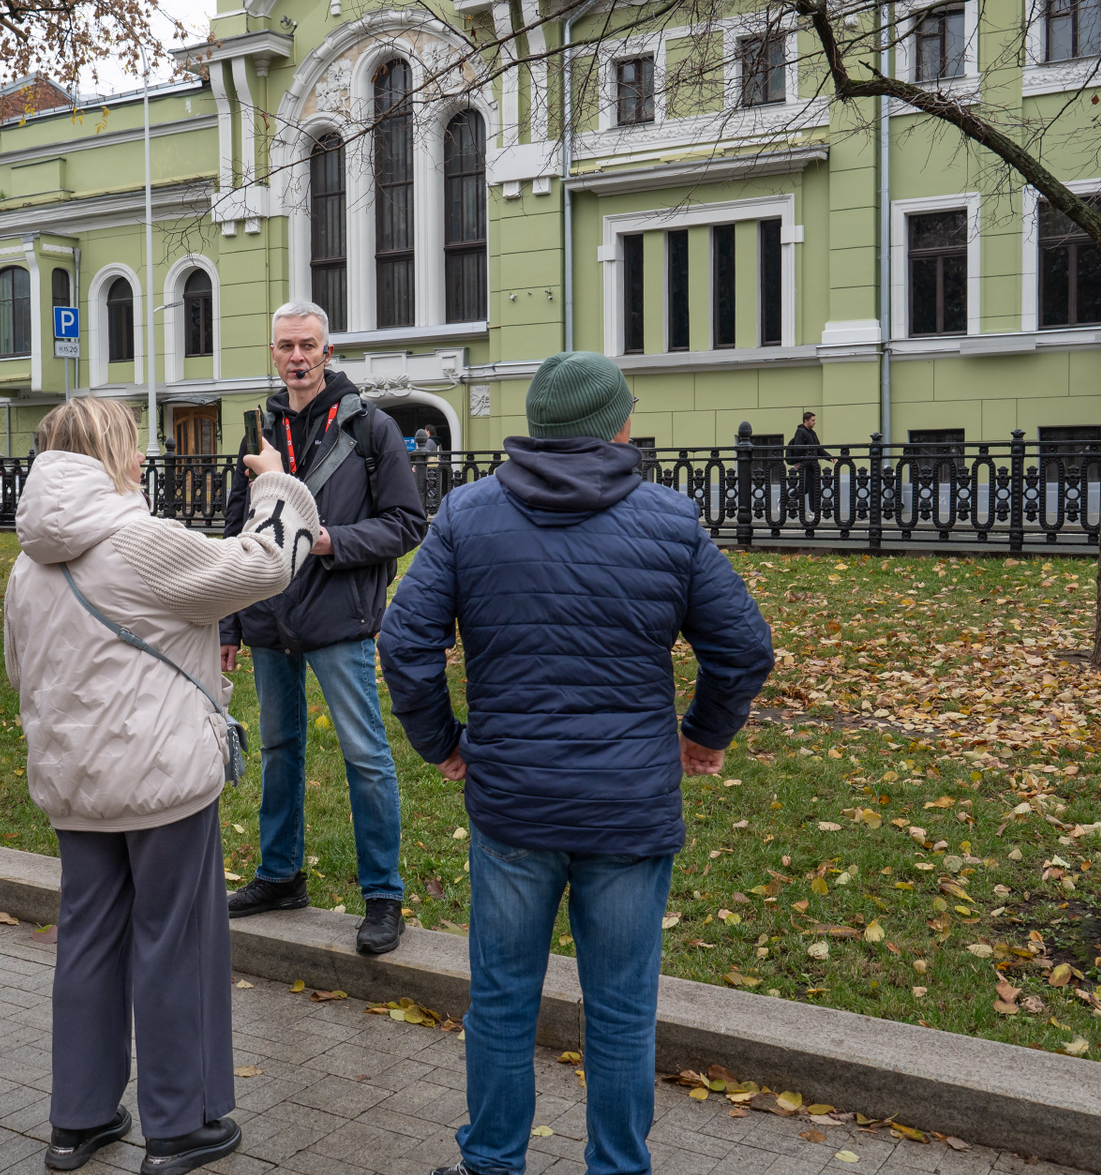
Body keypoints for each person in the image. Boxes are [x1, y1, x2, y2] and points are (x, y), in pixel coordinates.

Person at [378, 351, 775, 1175]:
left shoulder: (467, 514)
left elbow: (405, 642)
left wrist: (442, 742)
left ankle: (492, 1162)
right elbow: (743, 646)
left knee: (501, 999)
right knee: (623, 1010)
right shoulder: (670, 519)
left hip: (514, 804)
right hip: (629, 807)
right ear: (616, 426)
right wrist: (705, 734)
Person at [4, 397, 318, 1175]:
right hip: (161, 779)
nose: (142, 459)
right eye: (133, 445)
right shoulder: (138, 541)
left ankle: (78, 1119)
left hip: (74, 784)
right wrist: (275, 484)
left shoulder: (27, 559)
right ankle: (181, 1124)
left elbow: (20, 670)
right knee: (176, 944)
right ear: (109, 452)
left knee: (86, 940)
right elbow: (263, 565)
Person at [218, 300, 428, 956]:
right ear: (274, 354)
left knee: (365, 755)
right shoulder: (259, 429)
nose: (297, 357)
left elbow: (406, 524)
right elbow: (235, 529)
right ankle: (280, 876)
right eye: (286, 346)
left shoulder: (370, 427)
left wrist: (328, 539)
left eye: (308, 345)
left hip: (339, 617)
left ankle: (383, 895)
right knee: (279, 749)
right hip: (267, 614)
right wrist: (227, 623)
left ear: (327, 352)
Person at [789, 410, 831, 520]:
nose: (814, 422)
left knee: (806, 488)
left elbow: (818, 448)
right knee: (812, 487)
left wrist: (829, 457)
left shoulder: (812, 433)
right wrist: (800, 462)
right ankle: (813, 510)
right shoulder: (801, 432)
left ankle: (785, 499)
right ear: (806, 421)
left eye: (814, 420)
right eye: (812, 420)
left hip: (812, 464)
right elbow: (798, 449)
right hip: (806, 465)